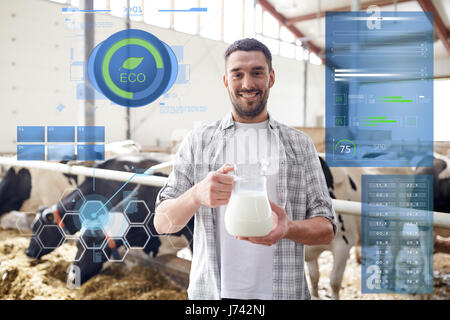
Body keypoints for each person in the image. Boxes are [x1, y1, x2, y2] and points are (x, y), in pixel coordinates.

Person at [154, 38, 337, 300]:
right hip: (213, 295)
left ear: (271, 77)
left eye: (257, 73)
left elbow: (326, 228)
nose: (248, 84)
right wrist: (195, 195)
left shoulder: (300, 145)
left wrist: (289, 228)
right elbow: (162, 222)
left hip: (283, 293)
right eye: (237, 74)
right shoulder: (198, 141)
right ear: (226, 81)